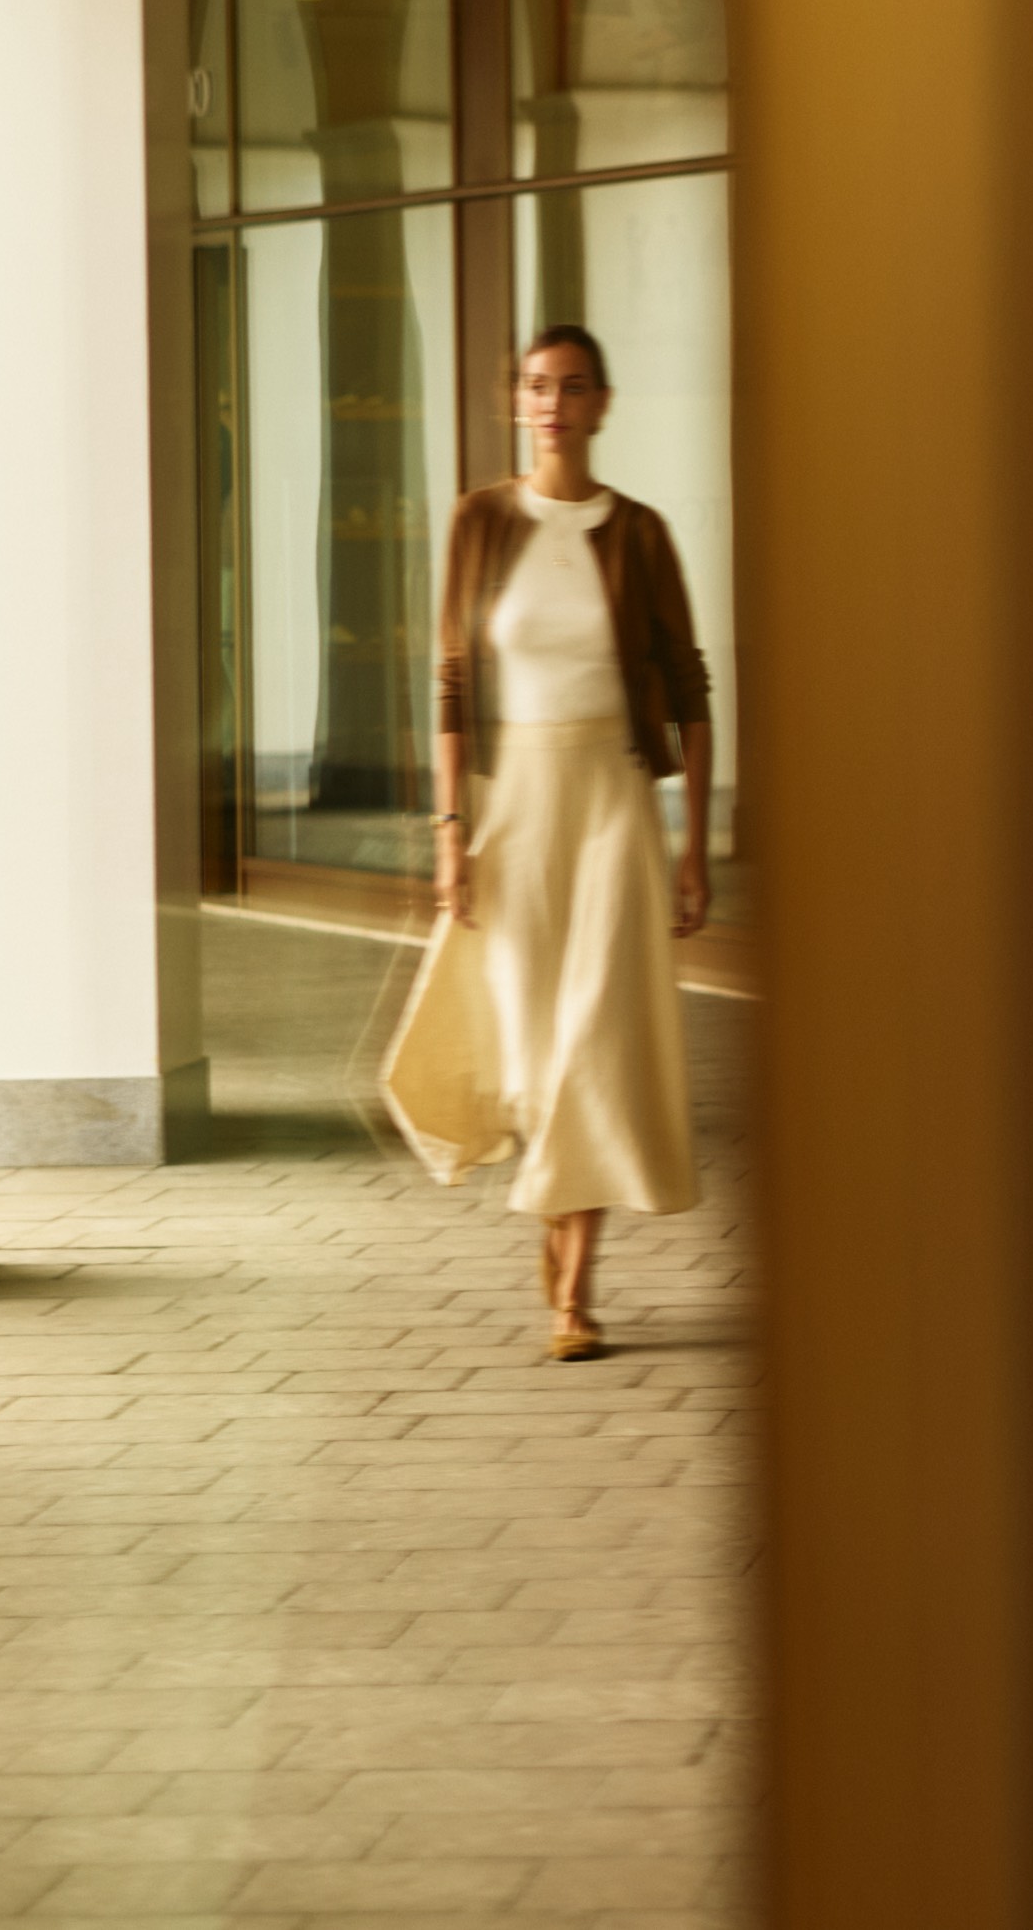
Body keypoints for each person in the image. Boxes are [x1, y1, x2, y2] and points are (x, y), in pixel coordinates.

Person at [384, 323, 717, 1360]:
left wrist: (695, 844)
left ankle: (575, 1294)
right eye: (536, 386)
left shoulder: (642, 533)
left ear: (603, 404)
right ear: (514, 401)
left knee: (595, 1039)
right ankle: (555, 1200)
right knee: (532, 1044)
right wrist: (451, 832)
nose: (553, 404)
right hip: (517, 805)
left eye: (573, 388)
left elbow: (692, 693)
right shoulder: (479, 522)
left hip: (614, 802)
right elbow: (448, 687)